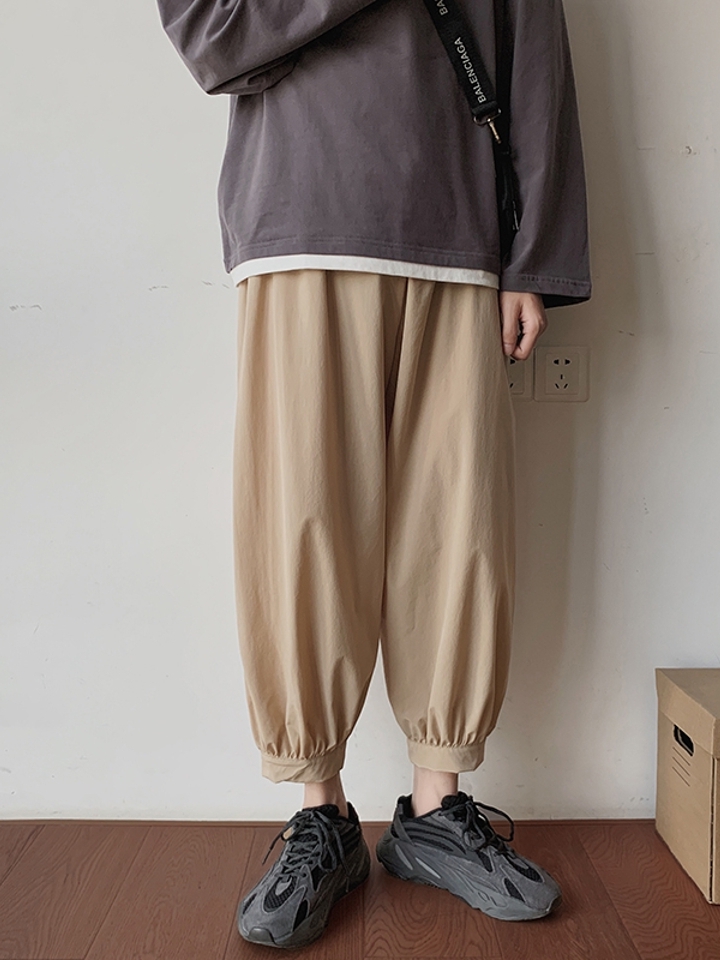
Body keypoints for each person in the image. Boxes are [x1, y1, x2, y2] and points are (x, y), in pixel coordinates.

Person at [157, 0, 591, 949]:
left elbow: (536, 61)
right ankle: (319, 812)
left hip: (463, 234)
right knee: (303, 528)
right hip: (300, 219)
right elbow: (211, 35)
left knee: (459, 529)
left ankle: (436, 810)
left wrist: (535, 257)